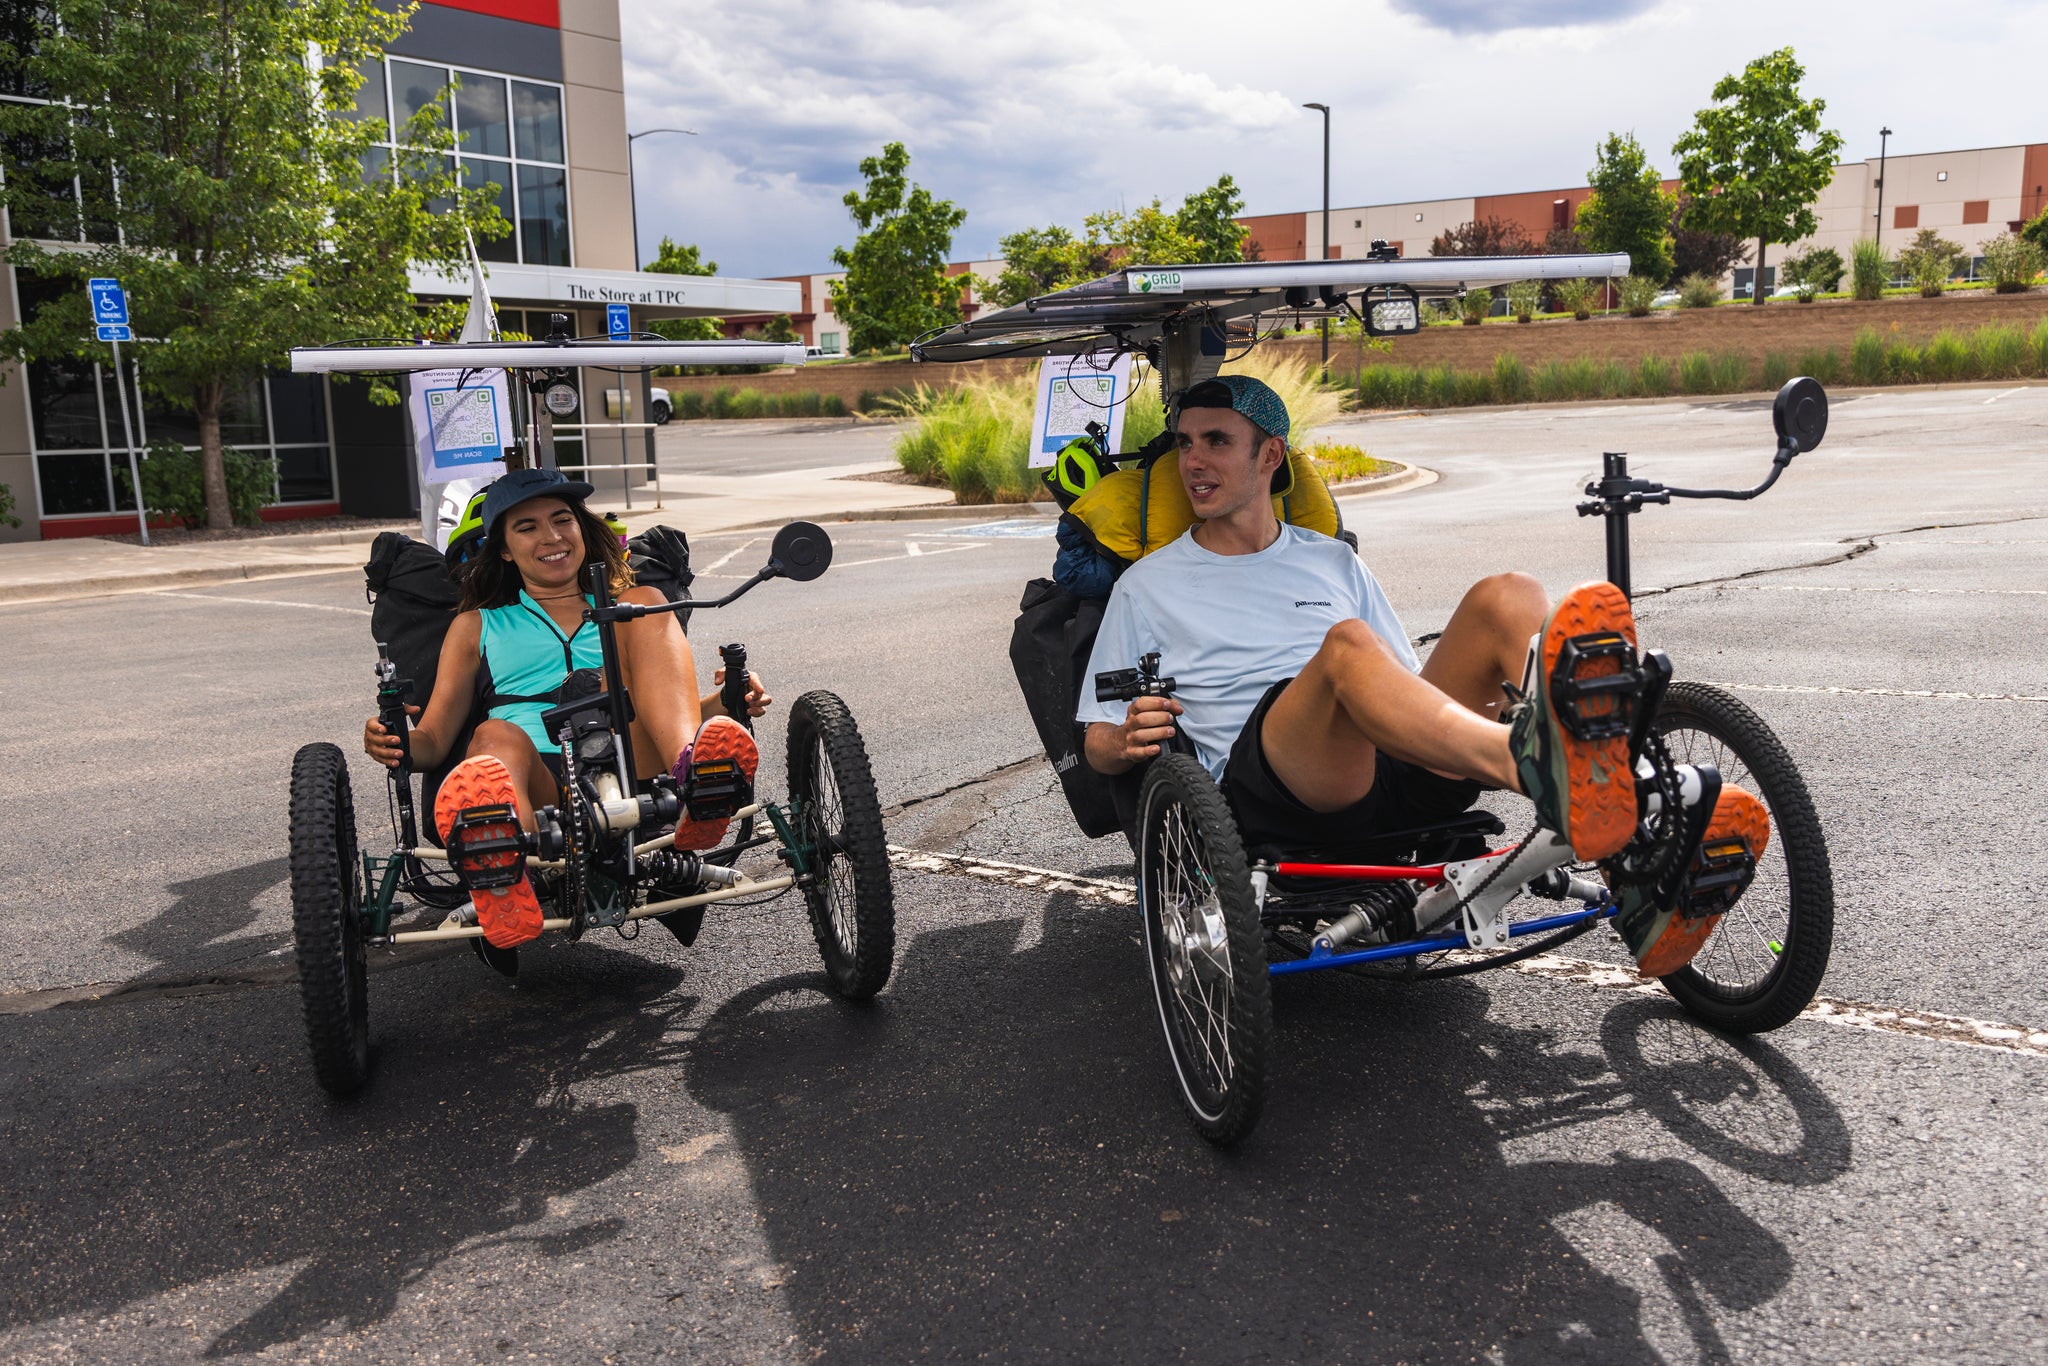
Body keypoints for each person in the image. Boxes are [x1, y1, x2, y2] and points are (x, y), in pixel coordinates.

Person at [1075, 375, 1765, 975]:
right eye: (1184, 443)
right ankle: (1546, 766)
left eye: (1215, 441)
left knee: (1507, 592)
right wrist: (1128, 734)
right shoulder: (1148, 585)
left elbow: (1402, 682)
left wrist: (1483, 701)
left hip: (1394, 764)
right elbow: (1095, 743)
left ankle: (1626, 855)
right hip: (1277, 789)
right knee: (1346, 647)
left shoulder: (1332, 561)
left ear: (1270, 455)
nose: (1192, 460)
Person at [363, 468, 770, 950]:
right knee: (494, 736)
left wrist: (728, 700)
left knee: (646, 601)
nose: (551, 536)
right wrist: (395, 740)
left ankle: (697, 780)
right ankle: (506, 869)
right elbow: (432, 742)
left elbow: (671, 712)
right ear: (504, 550)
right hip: (538, 783)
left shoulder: (631, 609)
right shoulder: (477, 626)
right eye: (527, 527)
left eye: (562, 520)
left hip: (631, 767)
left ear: (582, 529)